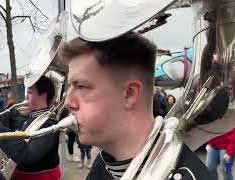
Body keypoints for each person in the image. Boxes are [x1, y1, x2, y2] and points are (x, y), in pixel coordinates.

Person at [60, 32, 212, 179]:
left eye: (81, 86)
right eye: (69, 87)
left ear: (130, 93)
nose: (68, 102)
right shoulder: (104, 161)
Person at [0, 75, 60, 180]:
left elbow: (27, 156)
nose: (26, 97)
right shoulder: (31, 118)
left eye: (30, 93)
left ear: (43, 96)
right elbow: (21, 142)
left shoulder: (49, 124)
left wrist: (0, 132)